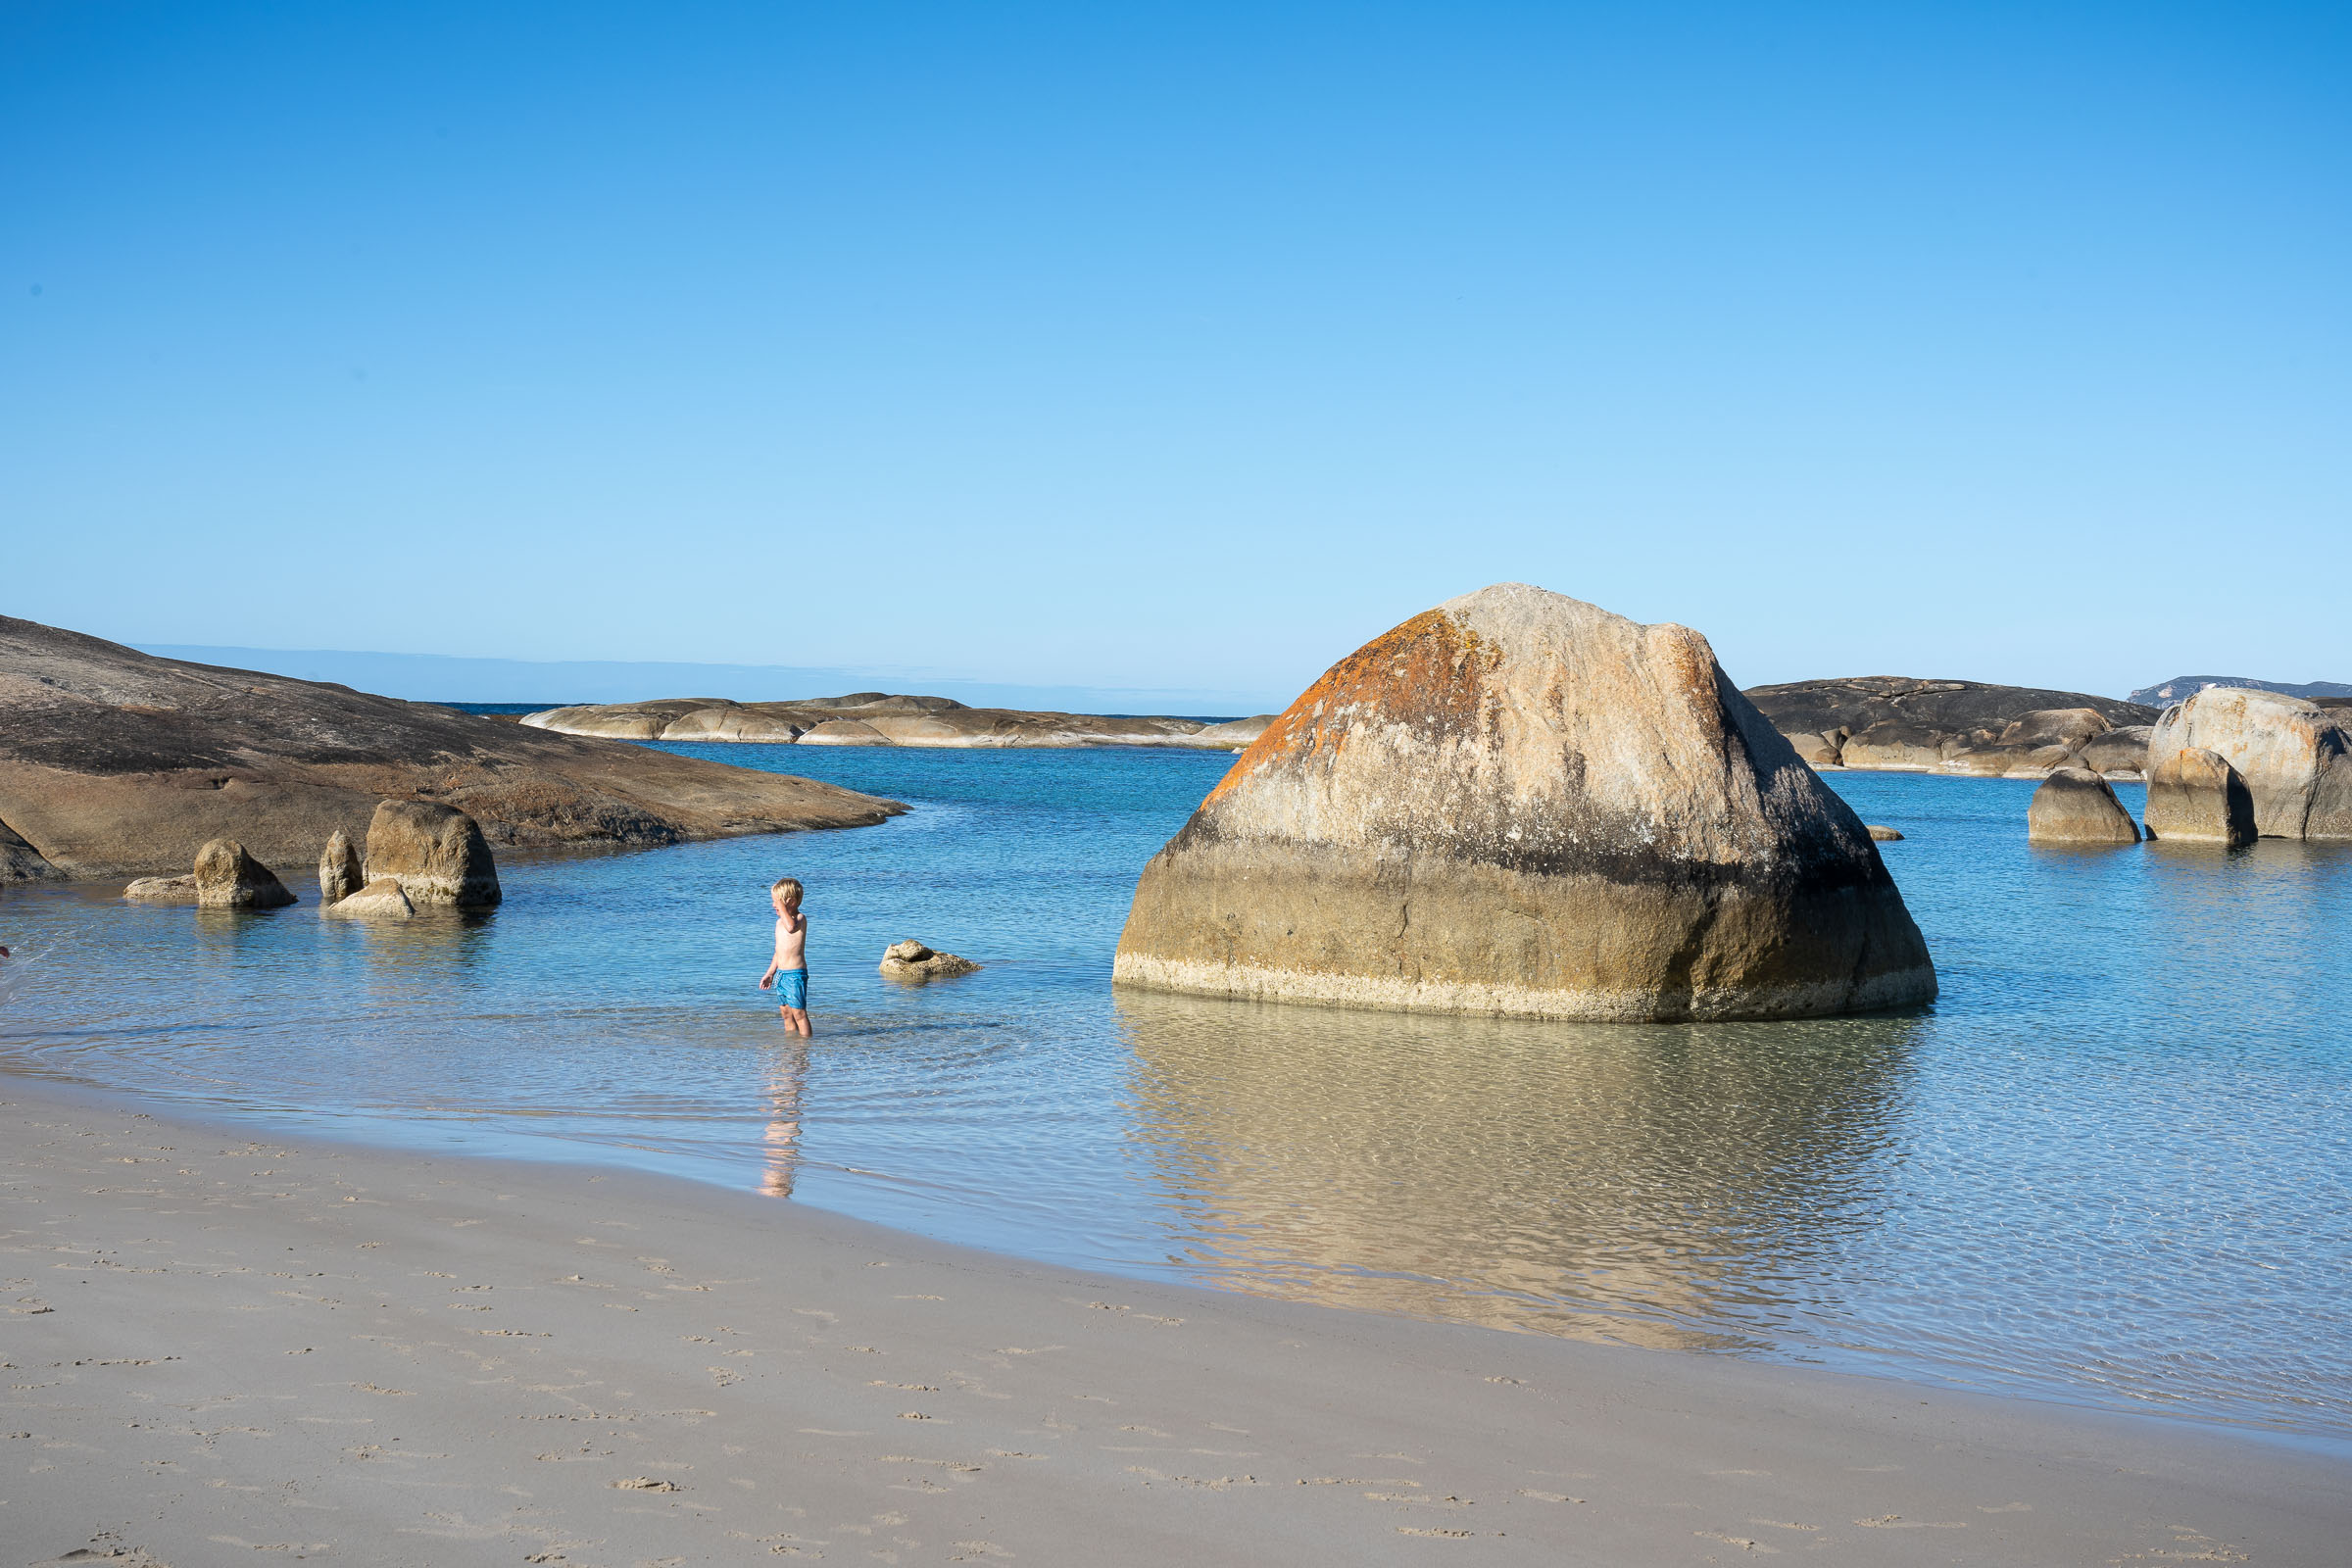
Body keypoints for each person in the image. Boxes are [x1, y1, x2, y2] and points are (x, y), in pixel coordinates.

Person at [758, 876, 812, 1037]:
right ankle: (792, 1045)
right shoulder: (778, 923)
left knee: (799, 1014)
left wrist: (782, 908)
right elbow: (778, 951)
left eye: (777, 901)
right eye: (774, 902)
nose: (774, 905)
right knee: (786, 1014)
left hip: (795, 975)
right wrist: (770, 973)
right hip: (781, 974)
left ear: (792, 902)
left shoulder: (799, 919)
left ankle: (805, 1047)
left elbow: (791, 927)